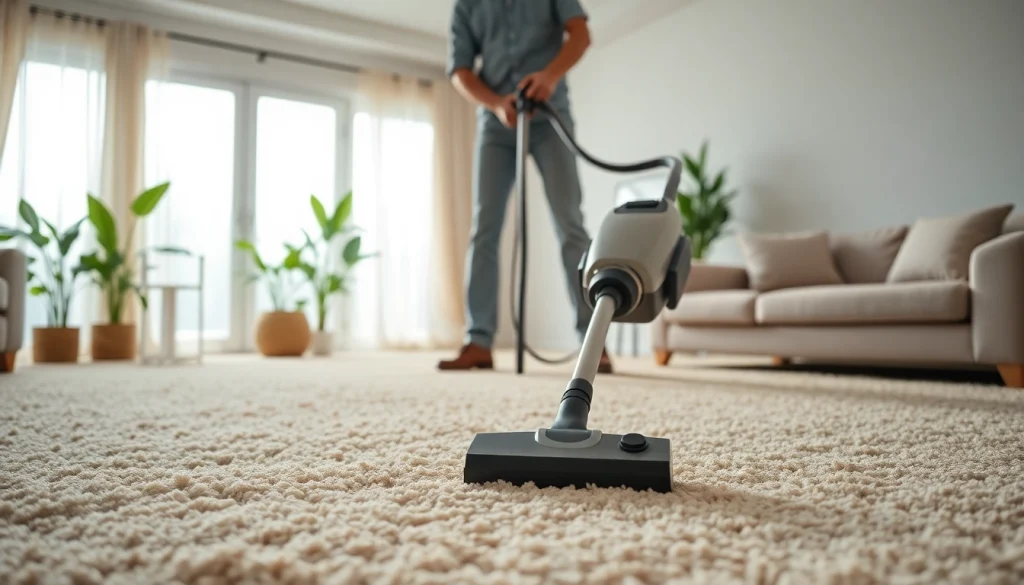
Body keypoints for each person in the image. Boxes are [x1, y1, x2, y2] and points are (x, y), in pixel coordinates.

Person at [437, 0, 613, 374]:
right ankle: (479, 341)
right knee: (484, 228)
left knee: (571, 226)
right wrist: (496, 102)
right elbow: (460, 71)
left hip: (552, 116)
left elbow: (580, 34)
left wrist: (549, 76)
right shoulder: (466, 6)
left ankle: (592, 340)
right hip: (497, 122)